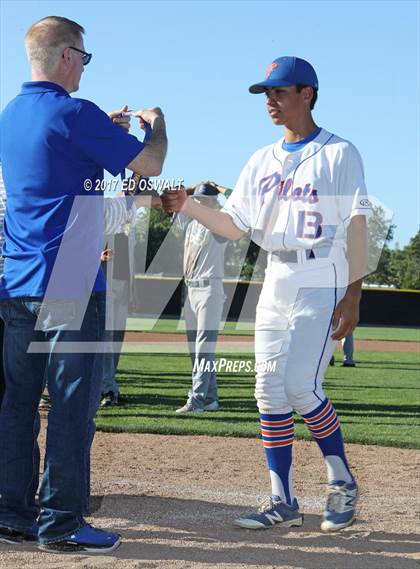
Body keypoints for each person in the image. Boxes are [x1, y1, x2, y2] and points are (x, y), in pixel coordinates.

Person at [162, 56, 370, 532]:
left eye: (280, 91)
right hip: (276, 277)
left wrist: (354, 294)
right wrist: (188, 205)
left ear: (307, 94)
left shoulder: (340, 153)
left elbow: (357, 225)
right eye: (266, 94)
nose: (271, 101)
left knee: (301, 385)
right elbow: (234, 228)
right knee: (267, 391)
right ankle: (283, 501)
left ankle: (341, 482)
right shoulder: (260, 160)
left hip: (323, 276)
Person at [0, 15, 167, 553]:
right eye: (85, 58)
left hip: (16, 272)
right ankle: (62, 523)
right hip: (69, 268)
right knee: (73, 406)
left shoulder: (10, 114)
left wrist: (101, 138)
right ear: (68, 55)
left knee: (18, 403)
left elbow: (60, 170)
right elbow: (152, 162)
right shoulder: (76, 112)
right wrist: (155, 124)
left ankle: (13, 513)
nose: (84, 69)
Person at [175, 182, 228, 414]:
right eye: (195, 199)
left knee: (203, 349)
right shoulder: (192, 224)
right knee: (195, 350)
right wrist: (194, 188)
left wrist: (220, 189)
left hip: (209, 289)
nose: (195, 202)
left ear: (211, 203)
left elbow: (237, 201)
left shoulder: (218, 223)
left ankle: (196, 400)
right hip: (191, 290)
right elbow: (176, 201)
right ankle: (210, 399)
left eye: (200, 200)